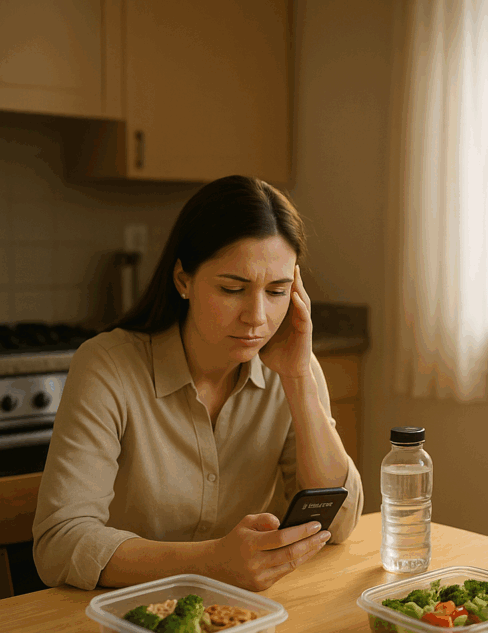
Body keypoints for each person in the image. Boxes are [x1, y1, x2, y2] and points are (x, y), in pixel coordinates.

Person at [33, 175, 363, 592]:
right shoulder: (108, 366)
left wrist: (299, 380)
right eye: (232, 289)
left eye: (277, 291)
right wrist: (210, 562)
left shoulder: (293, 366)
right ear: (183, 279)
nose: (257, 317)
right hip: (119, 619)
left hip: (244, 617)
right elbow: (60, 543)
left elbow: (340, 522)